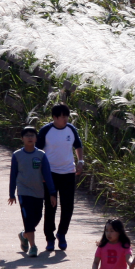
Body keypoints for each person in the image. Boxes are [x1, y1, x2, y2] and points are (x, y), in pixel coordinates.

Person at [36, 104, 85, 251]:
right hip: (50, 174)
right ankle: (49, 238)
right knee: (51, 207)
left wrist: (80, 161)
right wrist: (40, 172)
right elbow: (37, 152)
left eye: (66, 116)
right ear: (54, 117)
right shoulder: (46, 131)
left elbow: (78, 146)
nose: (65, 119)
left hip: (68, 172)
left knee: (68, 206)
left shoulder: (71, 129)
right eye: (62, 116)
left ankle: (61, 234)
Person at [8, 125, 55, 256]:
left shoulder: (41, 155)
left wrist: (52, 193)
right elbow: (13, 175)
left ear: (36, 138)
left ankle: (24, 235)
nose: (29, 137)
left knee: (37, 216)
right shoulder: (17, 155)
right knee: (27, 218)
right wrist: (11, 193)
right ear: (22, 138)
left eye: (32, 135)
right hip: (23, 191)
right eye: (27, 135)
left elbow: (47, 174)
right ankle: (33, 246)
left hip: (38, 191)